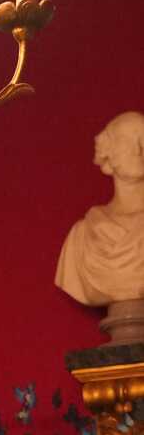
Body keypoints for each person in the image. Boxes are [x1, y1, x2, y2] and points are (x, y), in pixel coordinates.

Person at [56, 112, 144, 323]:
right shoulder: (82, 236)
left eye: (143, 139)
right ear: (108, 151)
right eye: (127, 139)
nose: (139, 149)